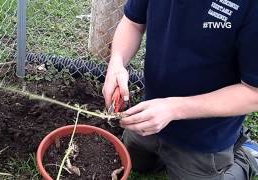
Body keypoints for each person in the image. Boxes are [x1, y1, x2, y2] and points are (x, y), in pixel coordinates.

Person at [102, 0, 258, 179]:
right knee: (136, 162)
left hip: (204, 137)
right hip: (150, 110)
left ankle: (246, 155)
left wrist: (174, 108)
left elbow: (254, 93)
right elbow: (133, 23)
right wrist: (117, 62)